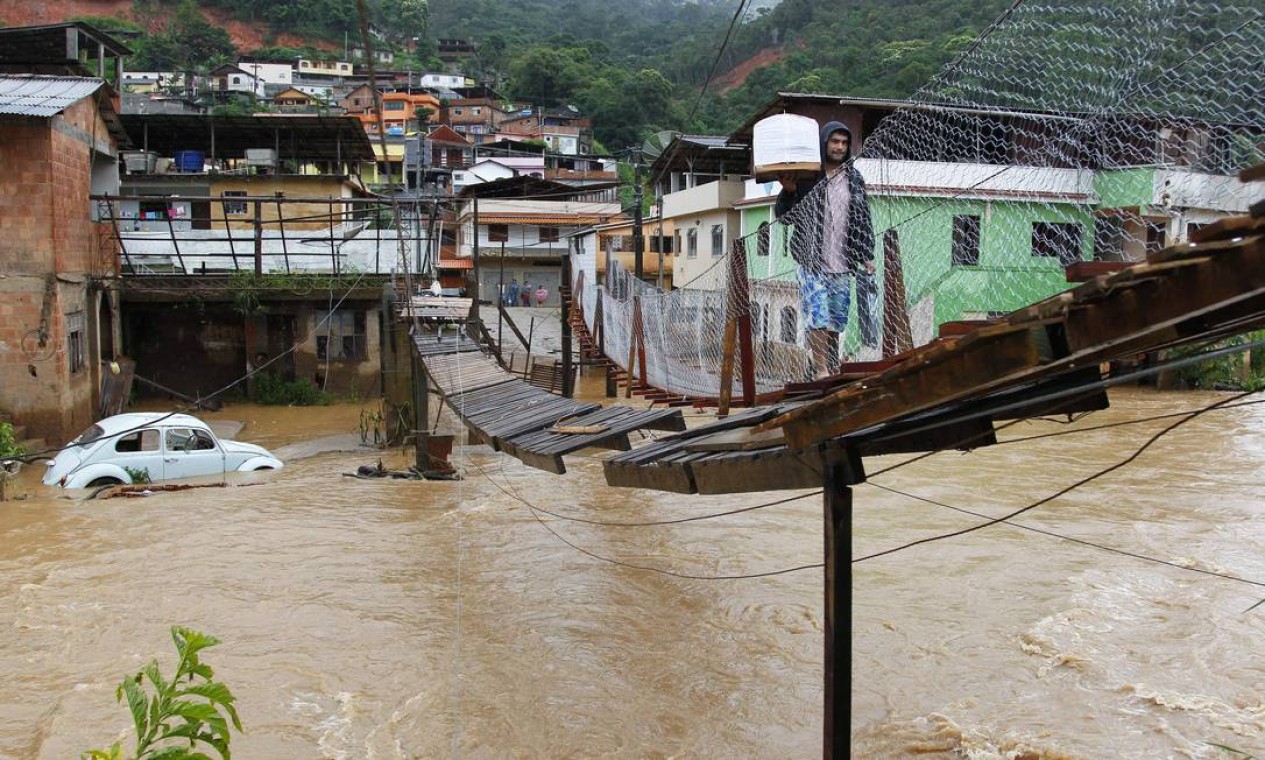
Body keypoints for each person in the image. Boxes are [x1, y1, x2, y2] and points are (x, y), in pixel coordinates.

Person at [774, 120, 875, 379]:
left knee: (836, 319)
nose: (839, 147)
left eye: (844, 143)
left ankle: (831, 364)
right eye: (834, 142)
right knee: (818, 314)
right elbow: (786, 217)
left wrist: (866, 255)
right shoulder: (808, 176)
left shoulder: (854, 178)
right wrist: (788, 192)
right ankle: (820, 369)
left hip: (842, 261)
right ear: (824, 143)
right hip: (811, 260)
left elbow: (863, 218)